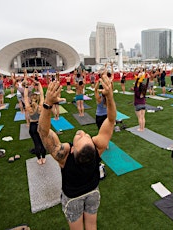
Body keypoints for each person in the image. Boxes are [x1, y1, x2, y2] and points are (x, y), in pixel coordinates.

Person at [38, 74, 116, 230]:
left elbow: (43, 133)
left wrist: (47, 105)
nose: (83, 133)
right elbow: (111, 120)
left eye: (81, 137)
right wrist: (110, 98)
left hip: (73, 198)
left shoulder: (64, 156)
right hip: (92, 192)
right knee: (92, 226)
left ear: (72, 149)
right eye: (86, 136)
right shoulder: (98, 149)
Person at [24, 77, 46, 164]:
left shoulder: (28, 108)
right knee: (42, 142)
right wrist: (38, 83)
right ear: (37, 99)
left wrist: (26, 86)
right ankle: (44, 158)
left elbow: (25, 96)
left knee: (36, 143)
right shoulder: (40, 106)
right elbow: (42, 94)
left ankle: (39, 159)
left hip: (32, 126)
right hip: (40, 125)